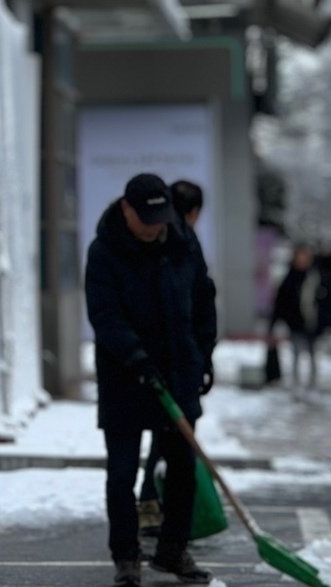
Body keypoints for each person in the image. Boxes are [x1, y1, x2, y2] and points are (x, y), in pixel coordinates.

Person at [85, 173, 217, 587]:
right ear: (127, 209)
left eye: (160, 218)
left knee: (182, 466)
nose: (155, 227)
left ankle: (172, 550)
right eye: (147, 219)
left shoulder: (181, 241)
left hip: (178, 370)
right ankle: (126, 556)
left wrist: (204, 356)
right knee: (122, 472)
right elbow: (104, 316)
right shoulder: (105, 250)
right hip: (126, 375)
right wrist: (136, 358)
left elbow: (202, 298)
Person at [138, 179, 216, 540]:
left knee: (164, 440)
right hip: (170, 366)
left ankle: (157, 509)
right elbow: (203, 304)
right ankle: (154, 504)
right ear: (195, 211)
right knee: (171, 444)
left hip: (169, 364)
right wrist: (203, 357)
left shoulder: (167, 245)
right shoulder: (184, 244)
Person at [268, 246, 325, 388]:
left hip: (311, 322)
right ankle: (296, 381)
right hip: (295, 322)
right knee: (296, 352)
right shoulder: (290, 278)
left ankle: (312, 381)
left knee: (312, 353)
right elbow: (281, 301)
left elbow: (324, 299)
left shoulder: (315, 277)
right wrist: (277, 322)